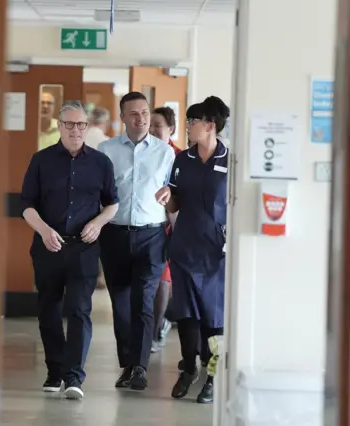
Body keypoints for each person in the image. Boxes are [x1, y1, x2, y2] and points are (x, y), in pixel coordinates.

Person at [20, 100, 119, 400]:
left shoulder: (101, 163)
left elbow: (112, 203)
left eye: (81, 125)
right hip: (48, 245)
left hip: (83, 248)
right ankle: (55, 371)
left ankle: (74, 376)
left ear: (87, 127)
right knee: (48, 310)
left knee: (79, 309)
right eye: (69, 124)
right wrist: (44, 230)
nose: (76, 130)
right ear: (60, 127)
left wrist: (99, 223)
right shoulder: (41, 160)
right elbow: (26, 205)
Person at [154, 96, 230, 404]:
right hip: (184, 246)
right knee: (185, 312)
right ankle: (188, 370)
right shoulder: (182, 159)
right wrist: (166, 196)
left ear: (210, 126)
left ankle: (211, 375)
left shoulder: (229, 161)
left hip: (215, 252)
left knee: (213, 318)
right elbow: (175, 201)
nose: (188, 127)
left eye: (193, 122)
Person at [97, 92, 175, 391]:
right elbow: (100, 193)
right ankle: (128, 365)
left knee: (143, 301)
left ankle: (140, 367)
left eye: (144, 112)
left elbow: (174, 194)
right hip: (115, 235)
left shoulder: (165, 152)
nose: (141, 118)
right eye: (134, 114)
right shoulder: (106, 150)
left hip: (151, 236)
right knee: (121, 304)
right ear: (123, 117)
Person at [149, 106, 182, 353]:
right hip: (146, 225)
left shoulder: (180, 157)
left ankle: (156, 329)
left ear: (171, 129)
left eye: (157, 125)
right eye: (150, 124)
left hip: (171, 227)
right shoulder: (145, 153)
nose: (151, 129)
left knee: (163, 281)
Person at [86, 106, 112, 290]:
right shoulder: (108, 143)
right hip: (101, 195)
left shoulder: (80, 138)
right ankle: (101, 276)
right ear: (105, 123)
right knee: (101, 235)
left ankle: (85, 273)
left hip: (80, 195)